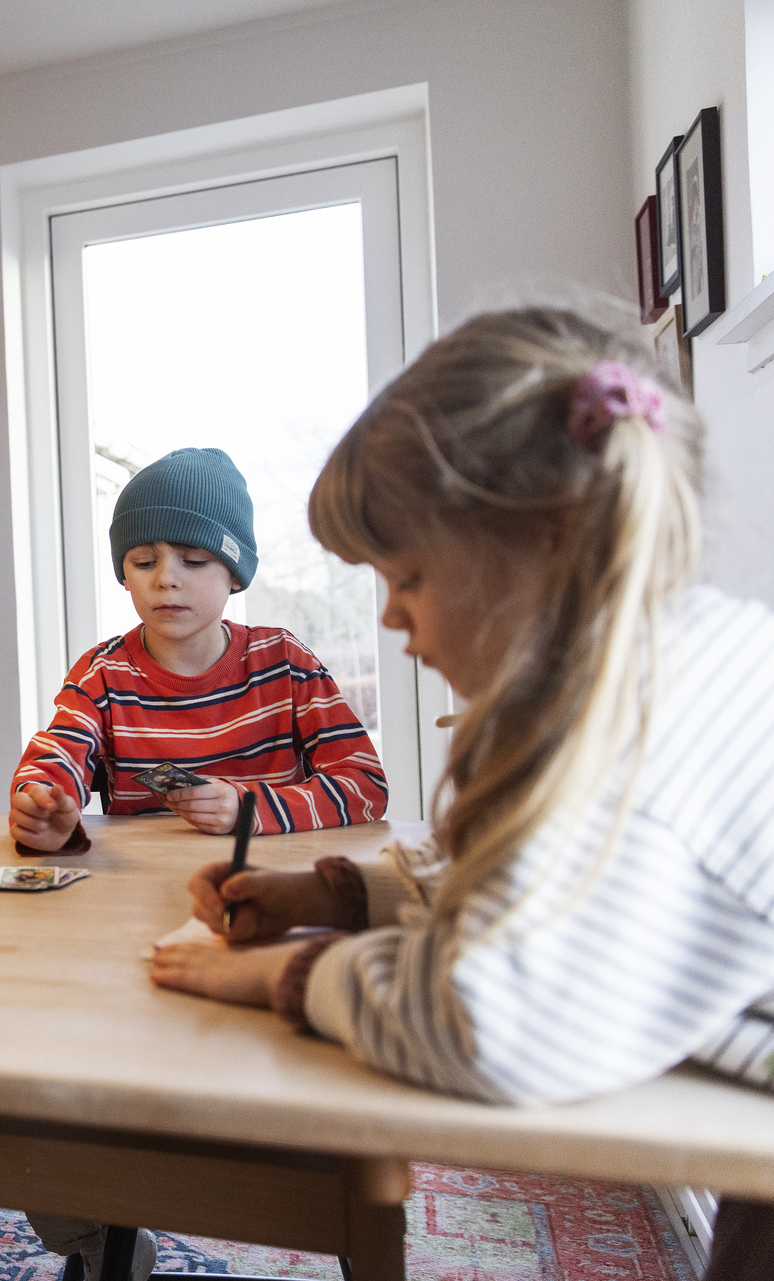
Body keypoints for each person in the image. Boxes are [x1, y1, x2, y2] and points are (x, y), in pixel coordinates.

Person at [147, 307, 774, 1281]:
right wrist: (342, 896)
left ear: (549, 541)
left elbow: (488, 1029)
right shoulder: (673, 656)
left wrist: (291, 980)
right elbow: (535, 866)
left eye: (407, 575)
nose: (391, 613)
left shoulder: (637, 753)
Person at [11, 447, 386, 855]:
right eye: (143, 562)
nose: (166, 579)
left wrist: (250, 809)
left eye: (192, 560)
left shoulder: (284, 661)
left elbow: (365, 785)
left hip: (274, 881)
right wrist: (44, 807)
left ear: (236, 577)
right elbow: (54, 761)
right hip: (142, 892)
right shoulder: (100, 673)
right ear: (124, 576)